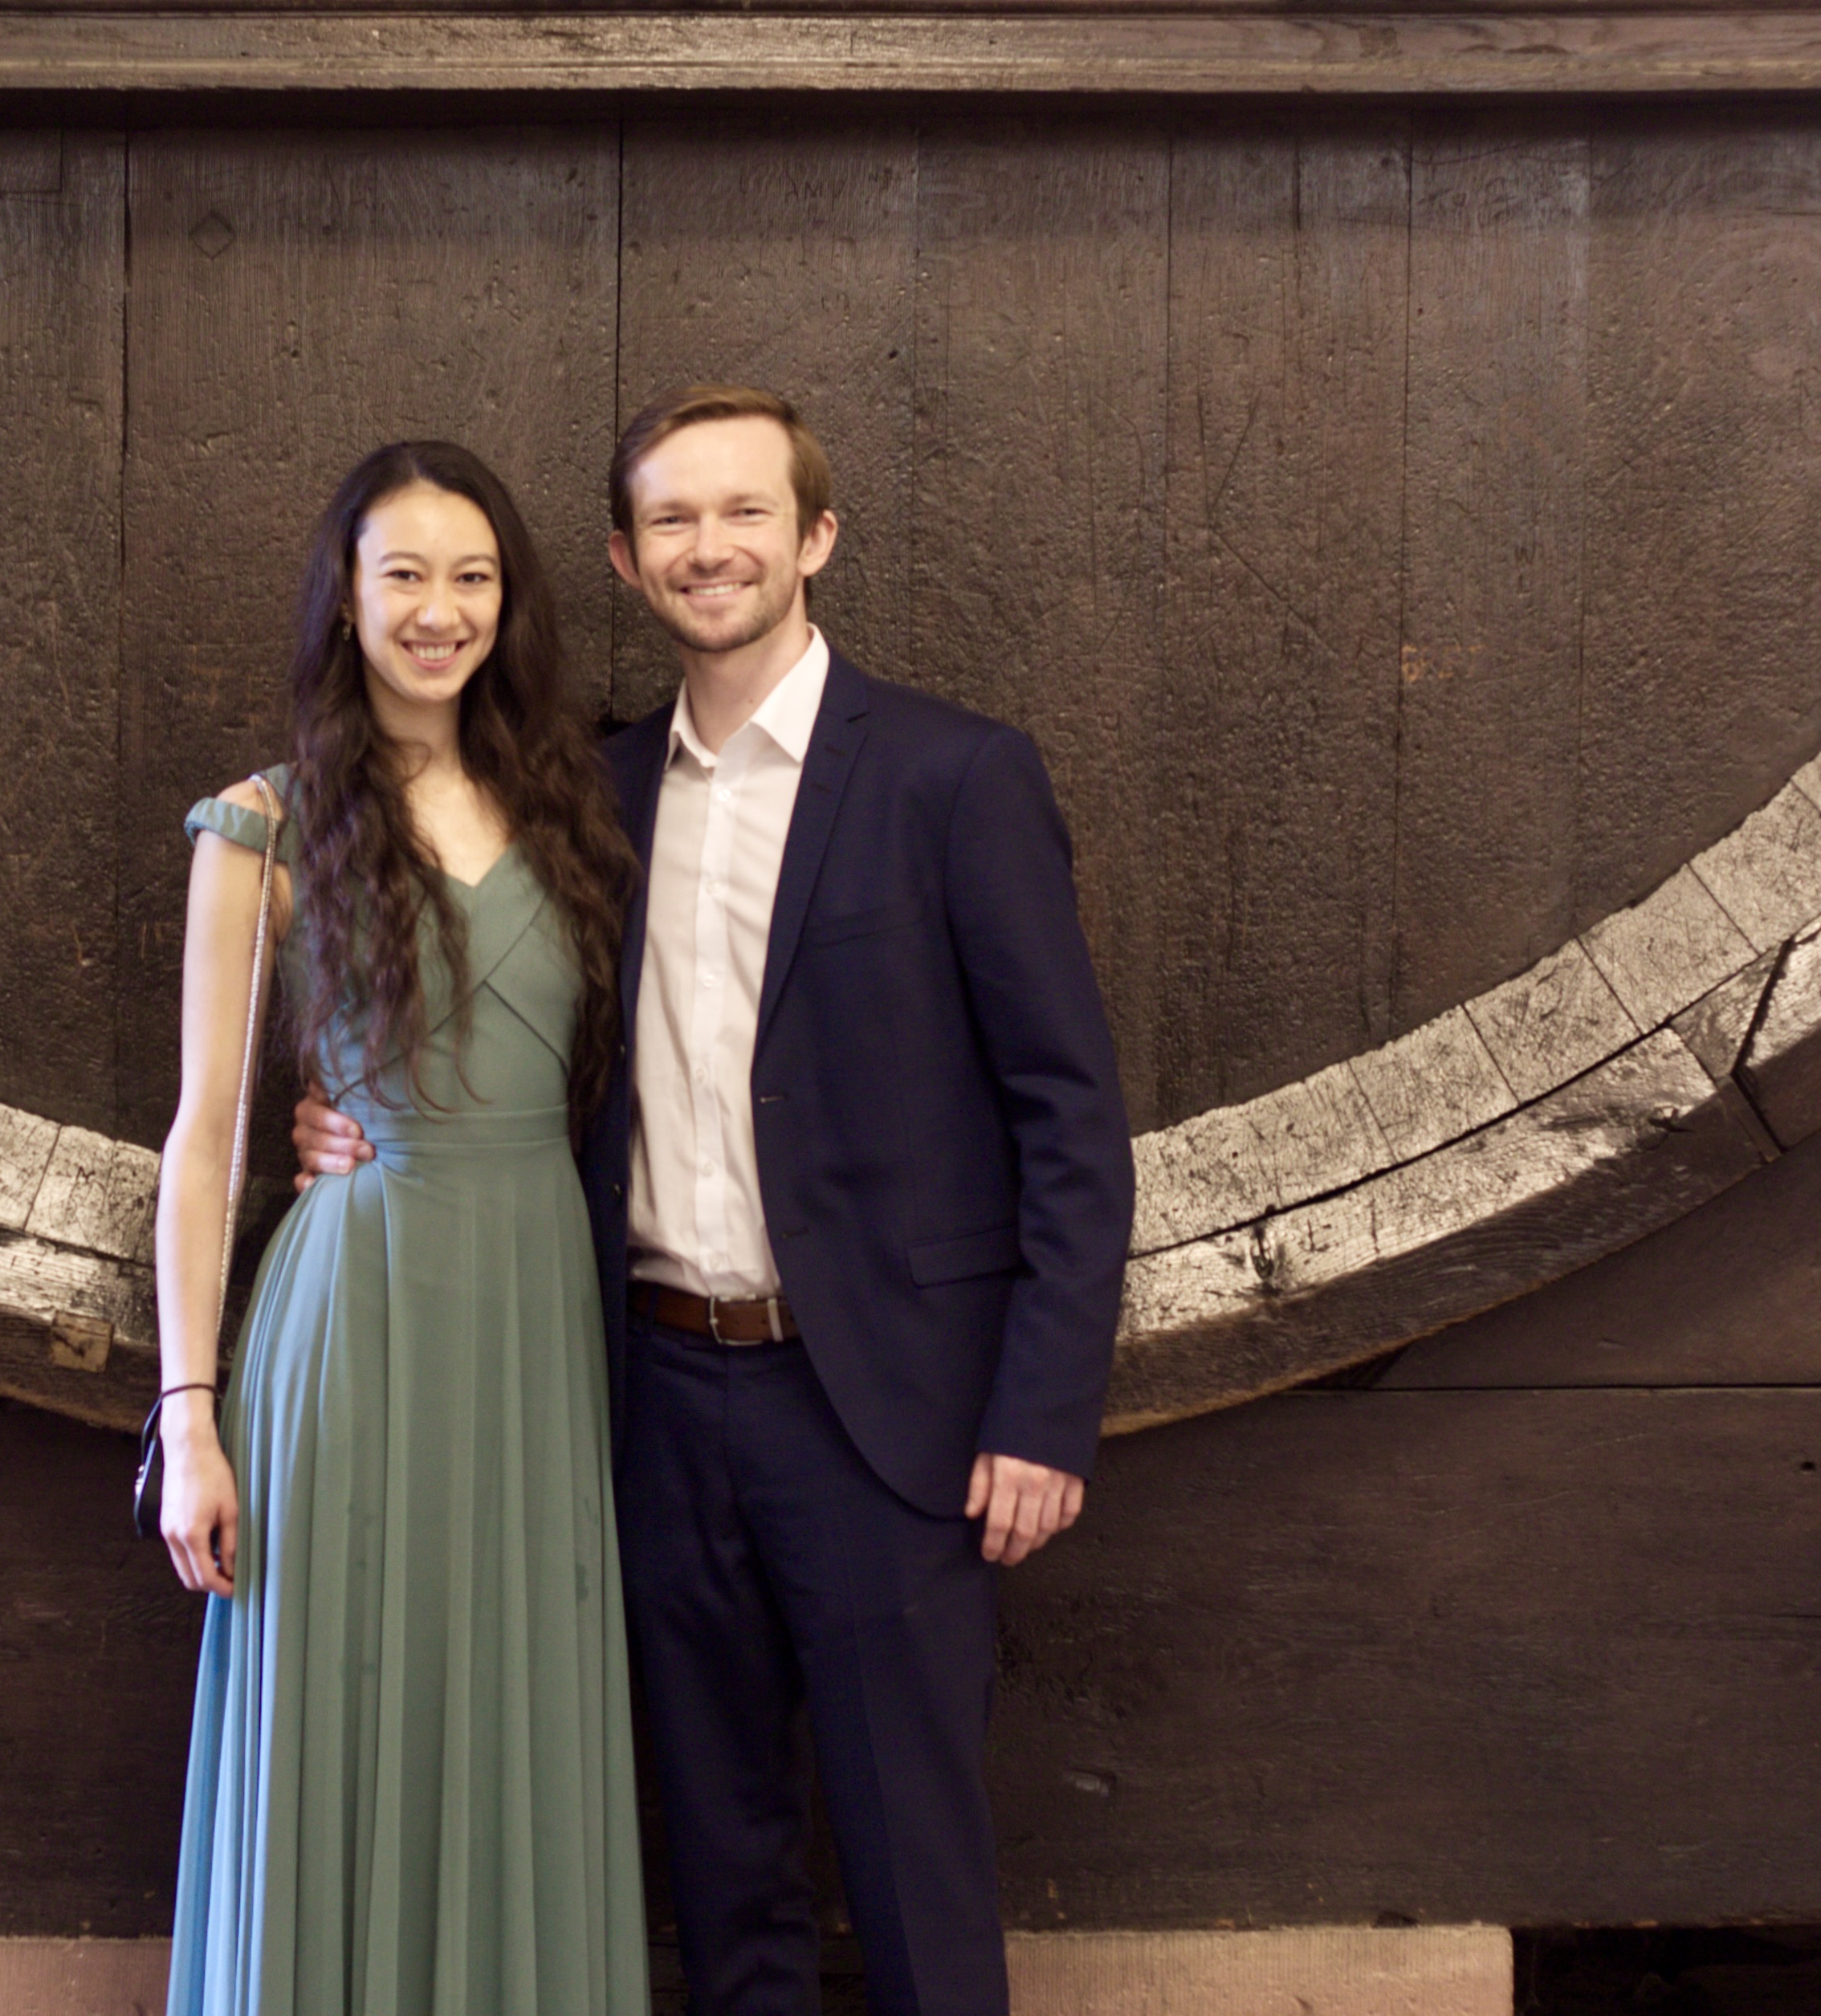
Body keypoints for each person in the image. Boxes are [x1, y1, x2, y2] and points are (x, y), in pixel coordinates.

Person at [296, 386, 1135, 2016]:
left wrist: (1043, 1413)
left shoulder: (955, 777)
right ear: (623, 560)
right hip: (651, 1401)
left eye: (745, 511)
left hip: (885, 1413)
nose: (709, 547)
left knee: (916, 1877)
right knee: (717, 1874)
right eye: (670, 519)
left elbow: (1070, 1114)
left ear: (814, 536)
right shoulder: (584, 794)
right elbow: (490, 1025)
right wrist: (341, 1106)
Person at [153, 440, 650, 2016]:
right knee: (341, 1698)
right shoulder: (263, 825)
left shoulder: (573, 808)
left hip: (533, 1312)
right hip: (353, 1317)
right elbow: (204, 1133)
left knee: (517, 1697)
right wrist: (186, 1413)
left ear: (510, 602)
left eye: (472, 577)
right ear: (346, 597)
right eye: (406, 575)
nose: (440, 610)